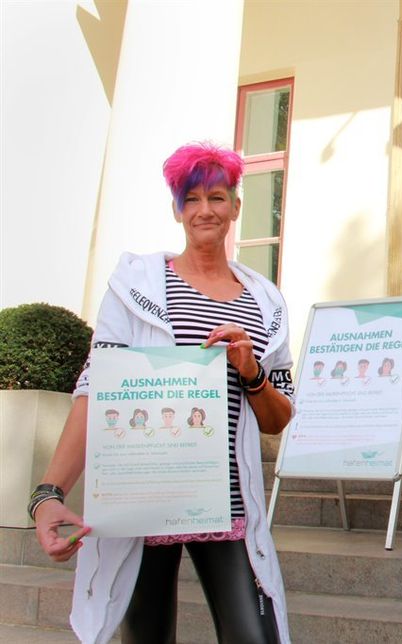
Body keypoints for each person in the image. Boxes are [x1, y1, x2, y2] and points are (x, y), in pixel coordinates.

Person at [29, 142, 296, 643]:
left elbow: (278, 418)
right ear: (177, 210)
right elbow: (96, 389)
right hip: (144, 498)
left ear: (236, 206)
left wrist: (251, 371)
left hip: (229, 504)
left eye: (217, 197)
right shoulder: (138, 286)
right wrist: (49, 493)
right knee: (146, 636)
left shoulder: (267, 302)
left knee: (254, 636)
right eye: (190, 199)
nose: (205, 210)